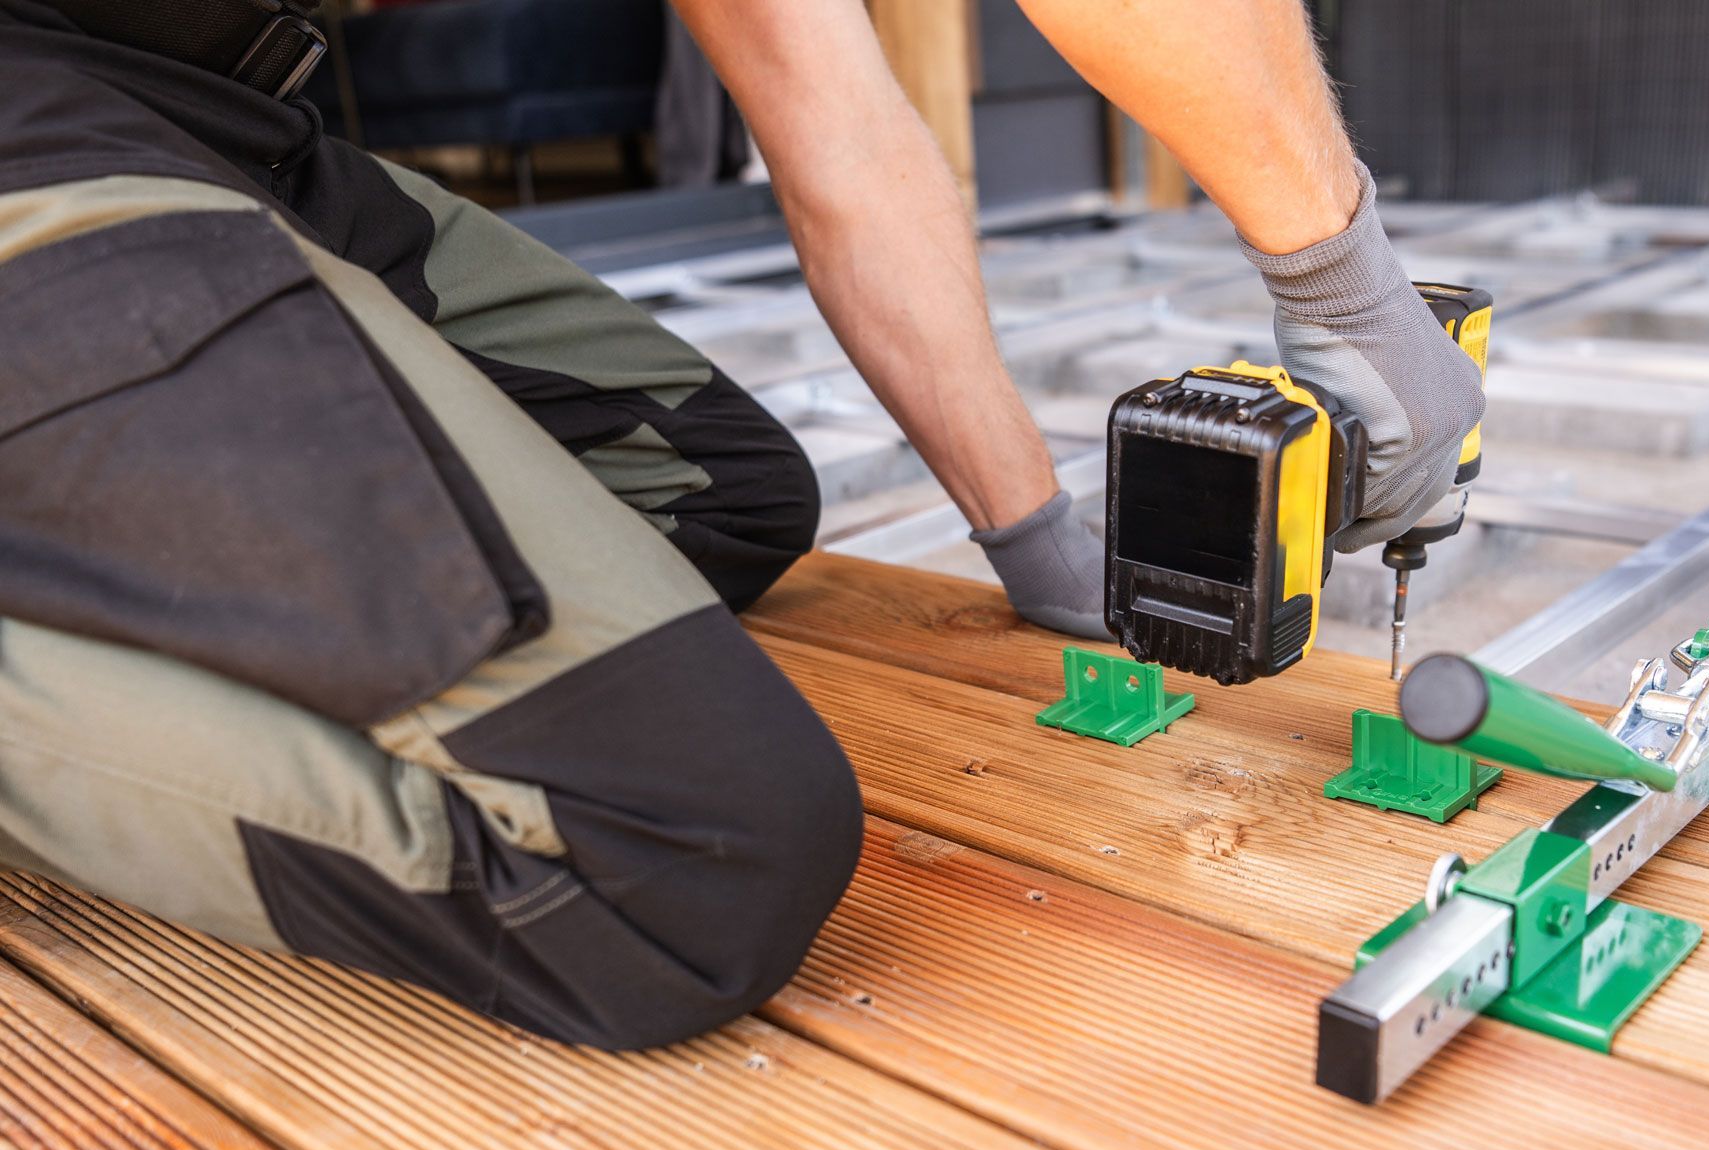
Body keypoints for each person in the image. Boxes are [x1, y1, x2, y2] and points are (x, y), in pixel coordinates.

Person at [0, 0, 1483, 1048]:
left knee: (720, 499)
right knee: (688, 861)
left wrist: (1033, 539)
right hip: (34, 141)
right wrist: (1343, 285)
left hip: (204, 115)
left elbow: (834, 125)